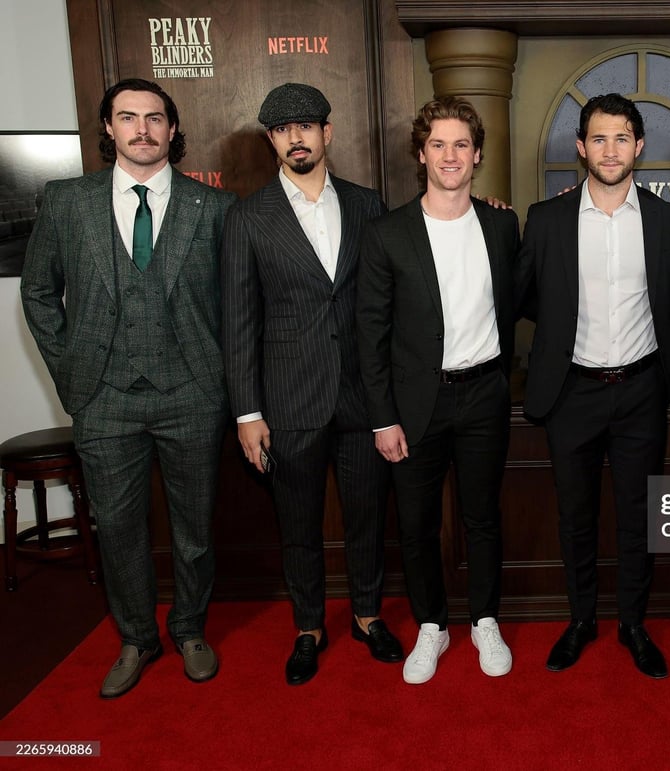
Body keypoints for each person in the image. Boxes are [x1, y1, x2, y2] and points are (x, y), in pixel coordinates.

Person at [21, 78, 236, 697]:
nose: (142, 128)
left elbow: (236, 303)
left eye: (155, 118)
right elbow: (37, 293)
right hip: (103, 396)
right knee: (116, 527)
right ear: (108, 128)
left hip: (193, 393)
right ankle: (137, 637)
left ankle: (190, 628)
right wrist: (72, 372)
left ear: (172, 130)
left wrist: (222, 378)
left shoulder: (214, 207)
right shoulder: (67, 202)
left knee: (194, 527)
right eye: (128, 117)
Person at [221, 82, 401, 686]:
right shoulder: (248, 216)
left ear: (327, 132)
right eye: (281, 129)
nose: (295, 137)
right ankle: (308, 627)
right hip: (288, 401)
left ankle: (369, 615)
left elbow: (387, 303)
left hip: (361, 397)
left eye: (305, 125)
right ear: (272, 140)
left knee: (367, 517)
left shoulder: (368, 204)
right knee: (297, 526)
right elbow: (239, 321)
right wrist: (247, 412)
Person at [519, 93, 670, 679]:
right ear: (580, 147)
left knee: (639, 515)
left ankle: (633, 625)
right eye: (598, 138)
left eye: (622, 138)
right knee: (576, 515)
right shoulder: (545, 220)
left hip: (642, 388)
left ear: (638, 146)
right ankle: (581, 619)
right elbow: (526, 299)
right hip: (573, 391)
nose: (610, 149)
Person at [356, 96, 520, 685]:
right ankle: (432, 625)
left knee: (482, 518)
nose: (450, 156)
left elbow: (521, 302)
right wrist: (382, 418)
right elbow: (369, 335)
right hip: (413, 405)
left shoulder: (503, 225)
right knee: (418, 523)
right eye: (438, 145)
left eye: (461, 145)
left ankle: (484, 619)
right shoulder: (387, 234)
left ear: (476, 155)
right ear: (421, 154)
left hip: (484, 396)